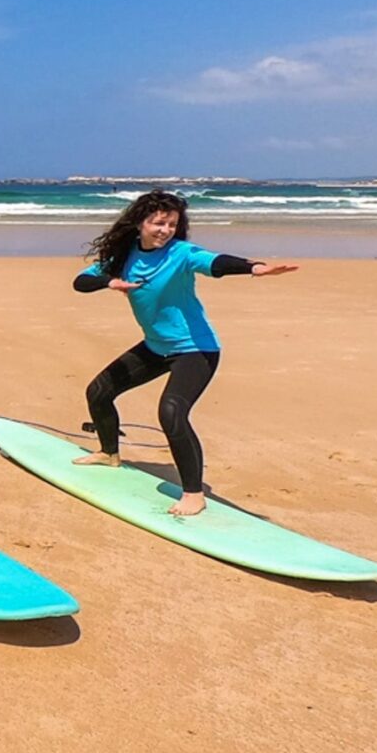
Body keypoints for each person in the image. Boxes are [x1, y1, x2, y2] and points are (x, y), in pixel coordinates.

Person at [73, 188, 297, 516]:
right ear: (140, 223)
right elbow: (81, 281)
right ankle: (109, 454)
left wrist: (254, 268)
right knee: (99, 391)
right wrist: (109, 282)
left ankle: (194, 493)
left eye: (172, 224)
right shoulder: (123, 256)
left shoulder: (181, 253)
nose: (166, 230)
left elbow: (213, 262)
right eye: (158, 223)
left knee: (171, 412)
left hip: (196, 350)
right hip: (156, 348)